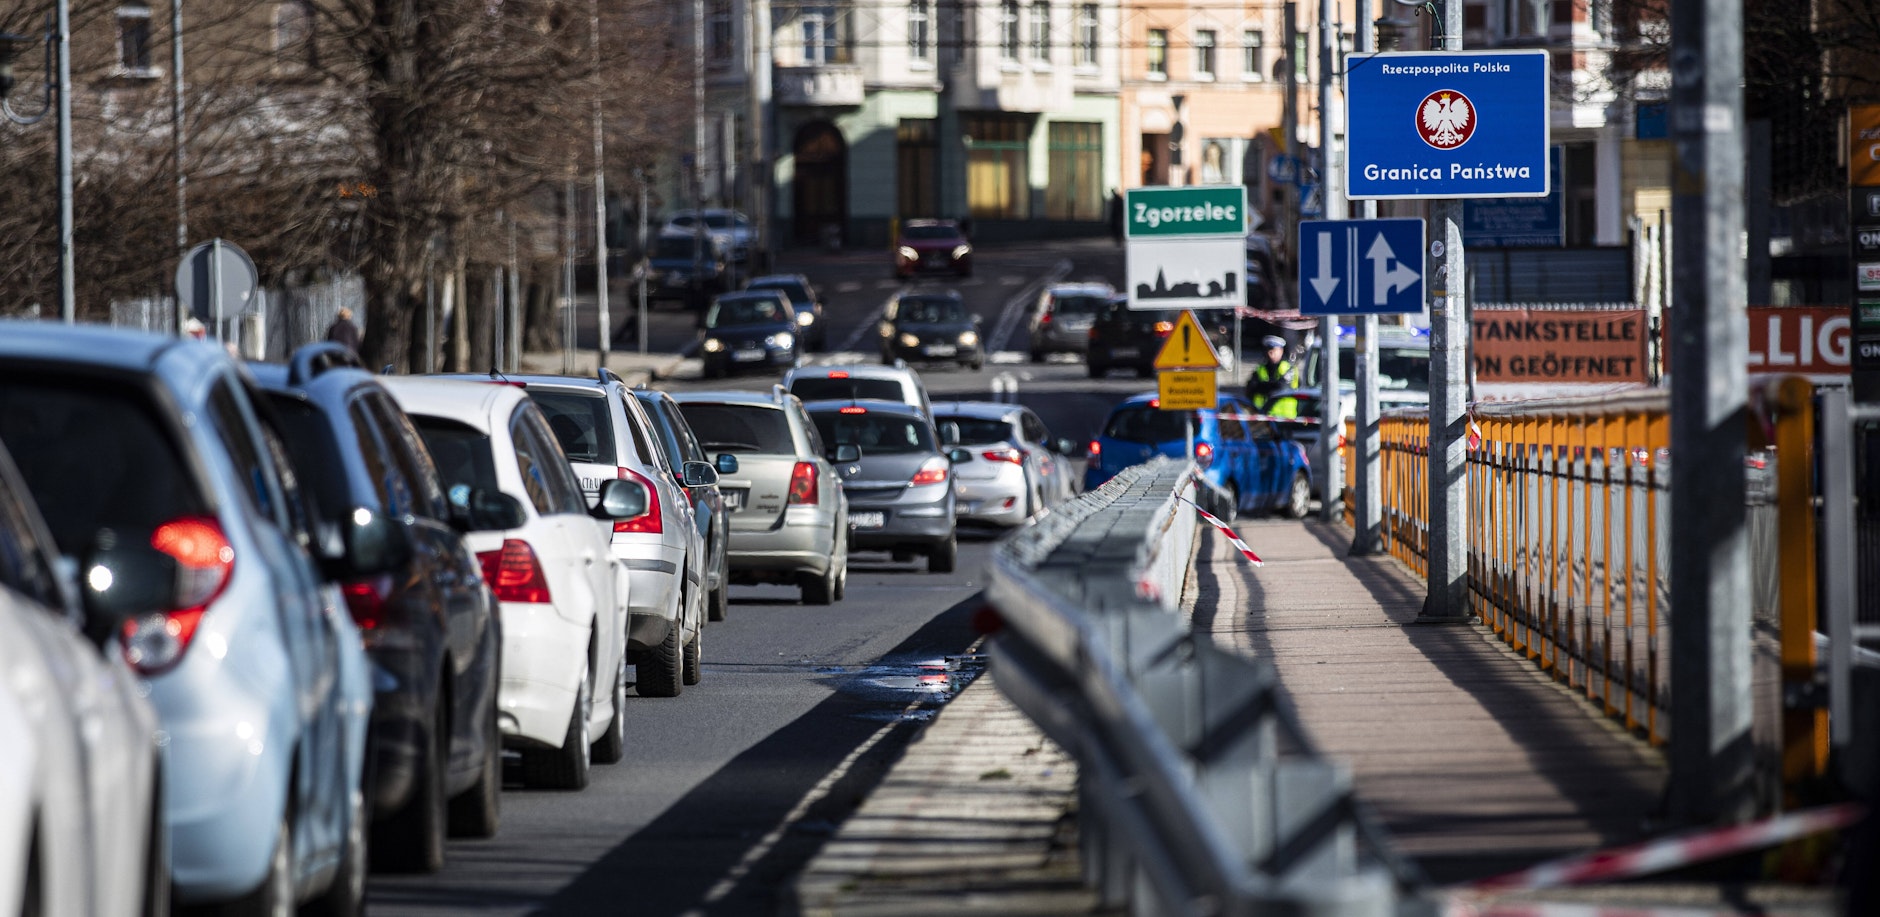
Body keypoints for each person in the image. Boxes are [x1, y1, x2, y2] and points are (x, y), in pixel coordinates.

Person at [1245, 335, 1299, 418]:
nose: (1271, 354)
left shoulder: (1288, 368)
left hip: (1285, 418)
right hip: (1263, 415)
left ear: (1281, 351)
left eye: (1274, 350)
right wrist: (1270, 386)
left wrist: (1262, 386)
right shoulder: (1260, 368)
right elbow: (1251, 388)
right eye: (1269, 351)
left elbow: (1281, 388)